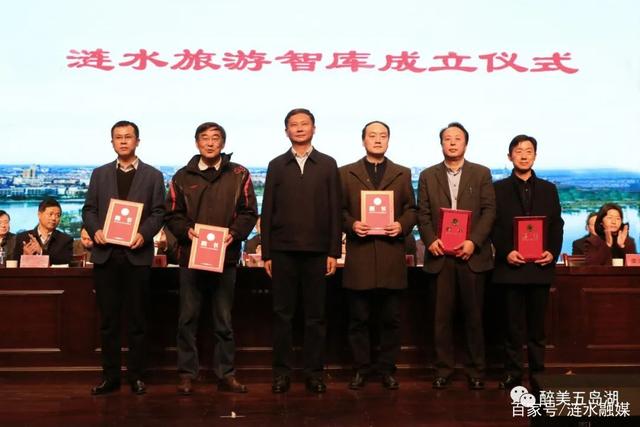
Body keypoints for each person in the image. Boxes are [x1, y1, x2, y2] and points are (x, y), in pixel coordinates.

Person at [166, 122, 258, 395]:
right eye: (204, 138)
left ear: (222, 143)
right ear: (197, 143)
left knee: (223, 320)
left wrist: (234, 234)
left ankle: (226, 374)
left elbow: (249, 212)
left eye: (215, 138)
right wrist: (186, 231)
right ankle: (187, 375)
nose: (209, 143)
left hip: (226, 258)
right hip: (190, 257)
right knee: (187, 319)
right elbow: (172, 214)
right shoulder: (182, 176)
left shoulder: (239, 174)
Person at [261, 108, 341, 394]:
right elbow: (267, 210)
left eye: (304, 123)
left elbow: (335, 210)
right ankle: (281, 374)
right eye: (293, 125)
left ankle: (314, 373)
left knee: (315, 316)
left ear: (313, 128)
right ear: (286, 131)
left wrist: (333, 251)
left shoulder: (328, 164)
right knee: (282, 315)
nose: (299, 128)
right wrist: (267, 253)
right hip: (282, 251)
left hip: (317, 252)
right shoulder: (276, 165)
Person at [82, 120, 165, 395]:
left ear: (137, 141)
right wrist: (95, 230)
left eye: (128, 137)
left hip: (137, 256)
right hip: (106, 256)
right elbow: (89, 209)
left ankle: (137, 376)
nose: (124, 141)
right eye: (118, 137)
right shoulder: (99, 174)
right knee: (108, 322)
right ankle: (110, 377)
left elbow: (159, 212)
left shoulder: (153, 175)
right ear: (112, 142)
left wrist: (144, 233)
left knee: (138, 321)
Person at [417, 122, 495, 390]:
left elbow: (489, 211)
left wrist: (474, 241)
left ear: (466, 143)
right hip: (440, 257)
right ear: (441, 144)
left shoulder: (481, 173)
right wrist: (430, 240)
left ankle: (476, 371)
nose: (452, 143)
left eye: (457, 139)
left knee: (474, 318)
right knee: (441, 319)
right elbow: (422, 213)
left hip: (471, 257)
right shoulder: (428, 175)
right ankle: (443, 369)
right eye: (447, 139)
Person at [339, 121, 417, 390]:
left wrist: (401, 225)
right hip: (360, 257)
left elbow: (412, 210)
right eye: (372, 136)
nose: (377, 140)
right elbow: (338, 210)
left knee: (391, 320)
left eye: (383, 136)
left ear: (389, 140)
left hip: (391, 256)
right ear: (363, 140)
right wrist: (351, 225)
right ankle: (360, 369)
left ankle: (387, 369)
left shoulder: (402, 173)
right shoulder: (345, 173)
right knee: (358, 319)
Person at [491, 135, 564, 390]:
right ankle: (512, 373)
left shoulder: (548, 189)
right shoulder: (497, 189)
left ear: (535, 156)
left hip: (539, 267)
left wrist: (552, 252)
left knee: (537, 328)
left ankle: (538, 374)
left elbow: (556, 225)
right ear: (509, 156)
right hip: (510, 267)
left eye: (529, 151)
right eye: (518, 151)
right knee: (511, 326)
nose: (524, 155)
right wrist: (505, 252)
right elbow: (493, 226)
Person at [14, 198, 73, 265]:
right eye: (50, 214)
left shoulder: (65, 240)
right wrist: (25, 256)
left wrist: (41, 251)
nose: (54, 218)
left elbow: (65, 262)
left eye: (58, 215)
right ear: (39, 214)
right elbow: (14, 265)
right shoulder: (23, 238)